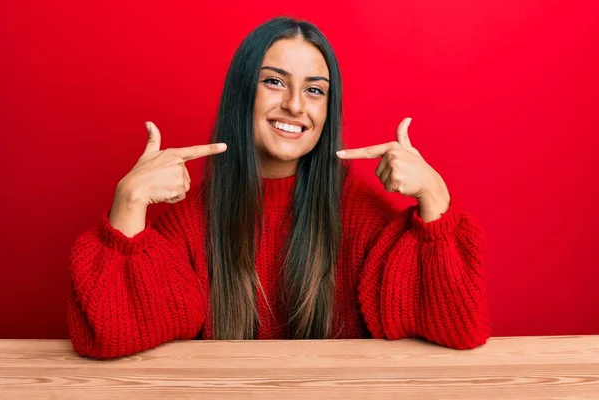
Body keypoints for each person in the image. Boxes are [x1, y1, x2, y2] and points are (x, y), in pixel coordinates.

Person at [67, 17, 490, 359]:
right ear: (241, 95)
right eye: (274, 81)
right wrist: (128, 205)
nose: (294, 104)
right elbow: (107, 337)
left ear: (328, 110)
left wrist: (434, 196)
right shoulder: (192, 222)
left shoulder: (360, 215)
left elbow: (459, 327)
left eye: (314, 91)